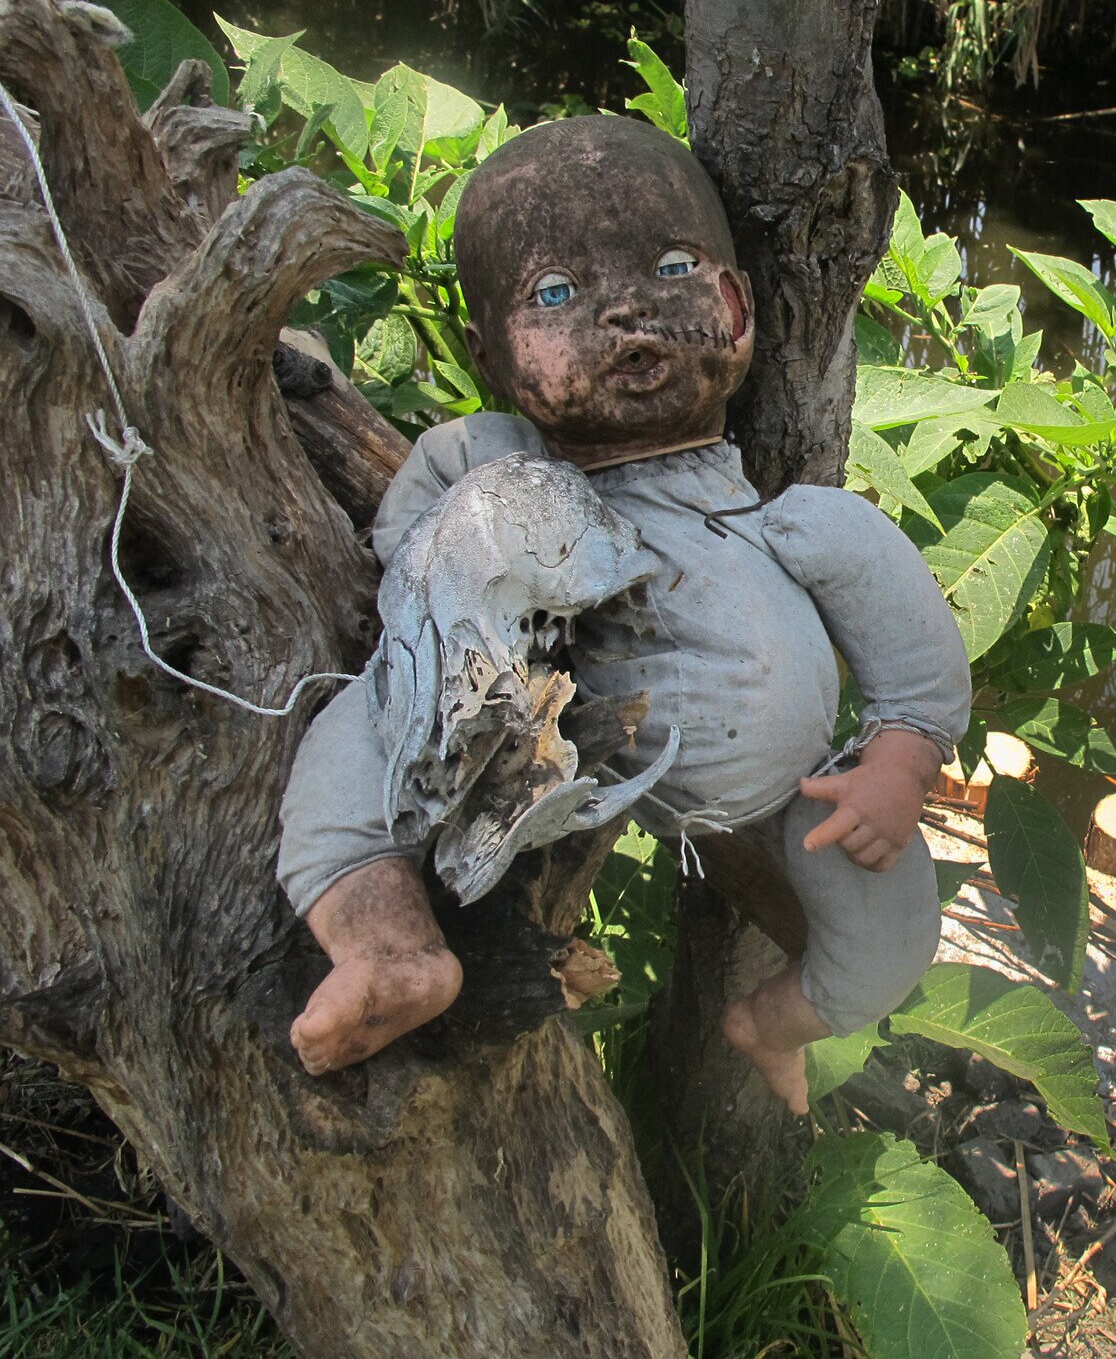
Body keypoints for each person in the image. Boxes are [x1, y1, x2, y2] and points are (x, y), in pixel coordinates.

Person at [275, 115, 970, 1113]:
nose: (626, 311)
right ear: (489, 353)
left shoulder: (797, 524)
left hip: (803, 798)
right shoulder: (494, 456)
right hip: (544, 741)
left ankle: (772, 1022)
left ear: (736, 304)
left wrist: (901, 757)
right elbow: (409, 550)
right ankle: (387, 948)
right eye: (557, 294)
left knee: (893, 943)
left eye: (673, 269)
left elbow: (907, 640)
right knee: (363, 729)